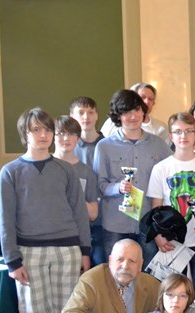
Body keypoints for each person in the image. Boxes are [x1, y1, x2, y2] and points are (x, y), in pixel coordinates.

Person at [0, 108, 91, 313]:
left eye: (47, 130)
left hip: (67, 250)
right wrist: (12, 260)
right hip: (29, 252)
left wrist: (85, 251)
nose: (43, 135)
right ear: (25, 134)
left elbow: (79, 213)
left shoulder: (65, 169)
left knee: (64, 312)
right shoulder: (10, 172)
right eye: (36, 130)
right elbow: (5, 220)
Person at [147, 112, 195, 306]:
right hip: (171, 241)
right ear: (171, 136)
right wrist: (158, 236)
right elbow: (156, 208)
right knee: (172, 296)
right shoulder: (161, 168)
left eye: (189, 131)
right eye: (178, 132)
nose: (184, 136)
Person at [93, 89, 173, 265]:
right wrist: (117, 188)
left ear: (144, 112)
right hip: (115, 224)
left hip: (148, 222)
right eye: (127, 111)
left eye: (137, 110)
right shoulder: (104, 147)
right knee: (116, 274)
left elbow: (171, 176)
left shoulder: (158, 145)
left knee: (148, 275)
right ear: (118, 116)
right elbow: (99, 184)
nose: (133, 116)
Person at [69, 96, 107, 266]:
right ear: (72, 116)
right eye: (81, 112)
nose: (86, 117)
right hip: (75, 222)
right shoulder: (69, 147)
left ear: (97, 115)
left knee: (101, 269)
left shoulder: (108, 145)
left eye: (90, 112)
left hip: (103, 222)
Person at [52, 116, 99, 224]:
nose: (66, 138)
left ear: (78, 139)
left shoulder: (87, 172)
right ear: (53, 137)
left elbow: (93, 214)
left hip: (77, 229)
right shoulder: (45, 167)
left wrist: (73, 194)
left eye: (72, 134)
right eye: (61, 133)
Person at [101, 82, 168, 139]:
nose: (146, 101)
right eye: (143, 97)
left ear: (154, 103)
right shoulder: (112, 122)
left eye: (150, 99)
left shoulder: (161, 128)